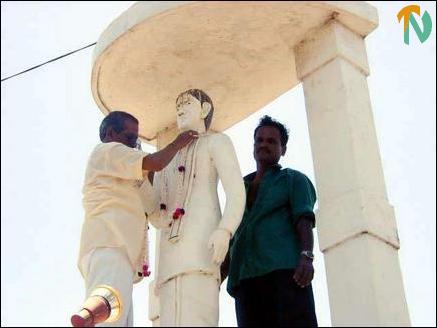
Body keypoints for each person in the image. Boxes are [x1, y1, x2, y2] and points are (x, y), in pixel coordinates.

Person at [71, 111, 198, 327]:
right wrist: (178, 142)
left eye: (136, 140)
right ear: (110, 133)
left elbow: (154, 209)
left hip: (118, 252)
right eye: (130, 138)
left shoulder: (124, 172)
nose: (133, 144)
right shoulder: (108, 151)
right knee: (108, 314)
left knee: (116, 317)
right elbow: (156, 163)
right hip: (110, 245)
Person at [148, 89, 246, 326]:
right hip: (169, 261)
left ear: (204, 110)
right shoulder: (167, 158)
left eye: (187, 103)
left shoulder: (217, 142)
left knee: (200, 318)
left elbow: (236, 191)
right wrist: (142, 180)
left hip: (202, 250)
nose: (180, 108)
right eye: (177, 104)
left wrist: (225, 230)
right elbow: (157, 216)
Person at [222, 115, 318, 327]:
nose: (264, 144)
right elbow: (231, 239)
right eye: (260, 140)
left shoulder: (293, 179)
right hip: (245, 281)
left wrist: (307, 256)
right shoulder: (239, 189)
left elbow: (304, 220)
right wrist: (214, 280)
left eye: (272, 141)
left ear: (283, 149)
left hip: (285, 274)